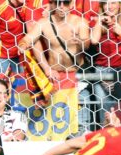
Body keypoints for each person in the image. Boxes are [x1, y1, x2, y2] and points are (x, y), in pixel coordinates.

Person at [18, 0, 91, 139]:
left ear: (72, 5)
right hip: (54, 75)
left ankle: (78, 138)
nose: (62, 6)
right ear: (53, 5)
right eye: (58, 3)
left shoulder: (80, 22)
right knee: (49, 113)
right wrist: (23, 44)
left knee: (79, 113)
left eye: (66, 3)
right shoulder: (44, 23)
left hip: (75, 74)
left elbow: (87, 42)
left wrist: (81, 42)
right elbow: (28, 39)